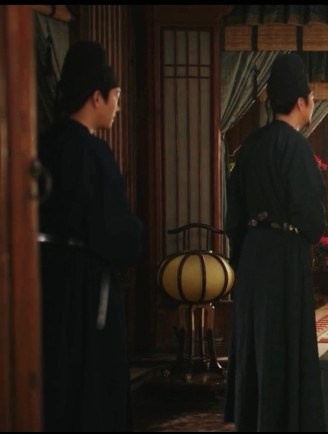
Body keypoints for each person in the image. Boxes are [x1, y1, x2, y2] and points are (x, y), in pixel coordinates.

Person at [37, 40, 143, 431]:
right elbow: (116, 233)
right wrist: (136, 235)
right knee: (93, 385)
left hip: (44, 280)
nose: (118, 106)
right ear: (96, 97)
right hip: (87, 285)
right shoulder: (93, 153)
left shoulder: (42, 145)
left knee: (55, 382)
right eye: (116, 97)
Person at [224, 53, 327, 431]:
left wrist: (243, 256)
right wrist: (308, 235)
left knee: (256, 341)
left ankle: (254, 420)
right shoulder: (295, 147)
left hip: (253, 253)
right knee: (283, 340)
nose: (312, 103)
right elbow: (311, 217)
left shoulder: (251, 145)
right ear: (301, 101)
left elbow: (234, 215)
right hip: (284, 255)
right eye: (312, 97)